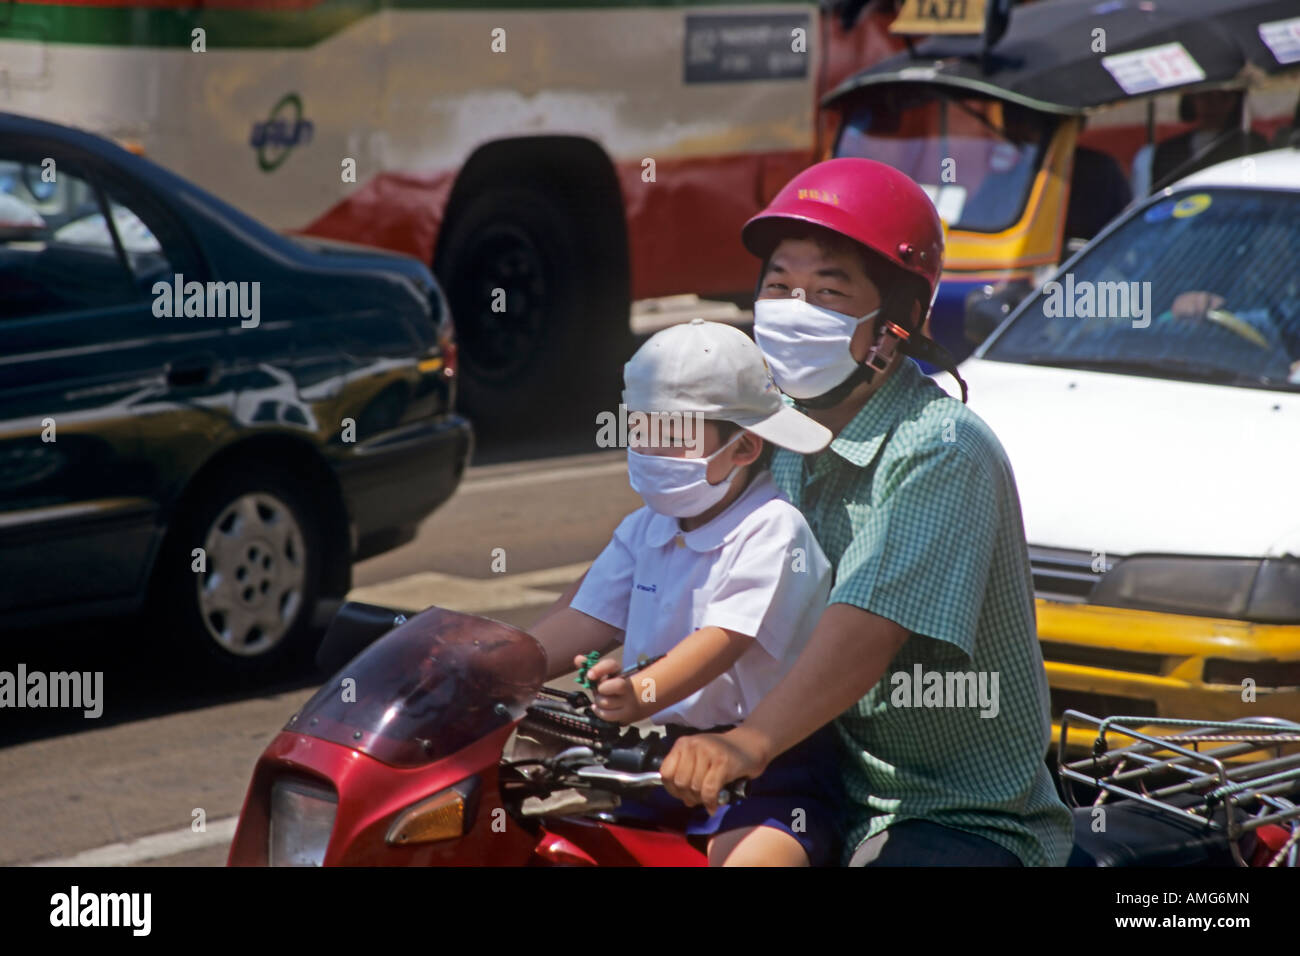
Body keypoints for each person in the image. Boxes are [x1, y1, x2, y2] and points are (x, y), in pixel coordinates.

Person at [658, 157, 1075, 867]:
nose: (793, 309)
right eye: (780, 285)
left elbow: (864, 631)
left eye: (828, 291)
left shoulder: (941, 449)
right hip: (807, 774)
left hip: (943, 810)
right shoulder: (771, 428)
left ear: (899, 324)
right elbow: (669, 556)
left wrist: (745, 742)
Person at [529, 318, 844, 866]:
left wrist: (643, 691)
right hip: (663, 757)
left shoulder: (773, 527)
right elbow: (584, 618)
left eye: (672, 436)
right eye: (642, 430)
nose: (650, 449)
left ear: (744, 447)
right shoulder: (645, 526)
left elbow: (726, 637)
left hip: (772, 764)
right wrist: (490, 668)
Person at [1150, 90, 1267, 190]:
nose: (1211, 104)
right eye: (1203, 96)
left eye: (1222, 97)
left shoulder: (1251, 144)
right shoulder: (1169, 149)